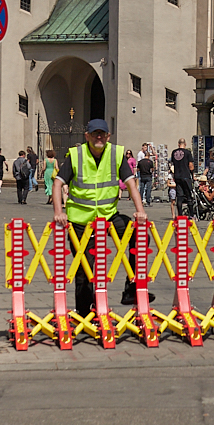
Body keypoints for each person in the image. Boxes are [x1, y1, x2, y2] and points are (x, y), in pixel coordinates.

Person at [53, 119, 154, 316]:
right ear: (87, 136)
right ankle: (84, 313)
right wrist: (59, 212)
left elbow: (131, 183)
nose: (98, 137)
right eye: (94, 133)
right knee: (84, 268)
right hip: (81, 219)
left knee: (140, 237)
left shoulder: (116, 153)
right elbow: (57, 183)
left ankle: (131, 288)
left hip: (108, 215)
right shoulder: (76, 155)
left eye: (102, 133)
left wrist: (140, 210)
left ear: (108, 136)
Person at [170, 138, 195, 218]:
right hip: (186, 176)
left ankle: (180, 215)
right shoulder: (187, 152)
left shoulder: (174, 152)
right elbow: (190, 165)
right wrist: (193, 174)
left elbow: (173, 164)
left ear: (178, 144)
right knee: (188, 196)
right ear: (185, 144)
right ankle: (191, 215)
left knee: (179, 196)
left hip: (177, 176)